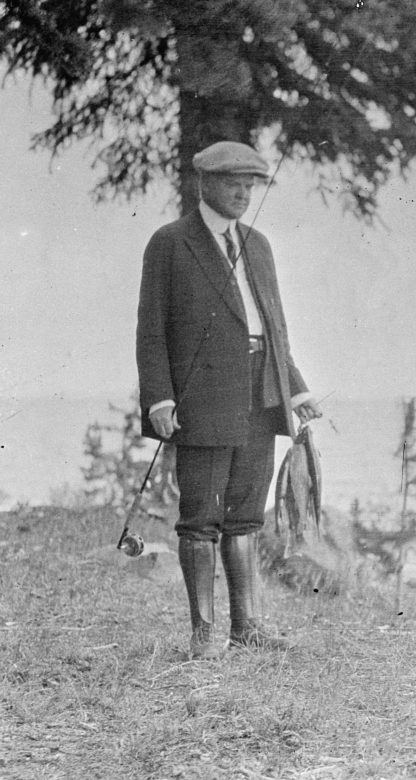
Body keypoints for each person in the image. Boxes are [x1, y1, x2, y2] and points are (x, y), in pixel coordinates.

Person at [136, 140, 322, 660]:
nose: (243, 193)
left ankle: (248, 629)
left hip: (261, 394)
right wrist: (159, 400)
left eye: (250, 184)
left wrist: (297, 387)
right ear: (205, 184)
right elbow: (151, 331)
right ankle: (203, 639)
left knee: (246, 517)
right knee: (200, 519)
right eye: (232, 183)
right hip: (202, 400)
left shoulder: (258, 244)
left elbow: (273, 328)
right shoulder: (170, 243)